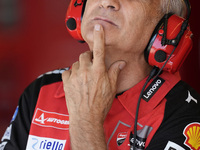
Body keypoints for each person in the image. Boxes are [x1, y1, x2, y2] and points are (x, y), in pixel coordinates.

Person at [1, 0, 200, 149]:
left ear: (167, 28)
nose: (107, 2)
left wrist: (86, 122)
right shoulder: (42, 90)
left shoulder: (185, 117)